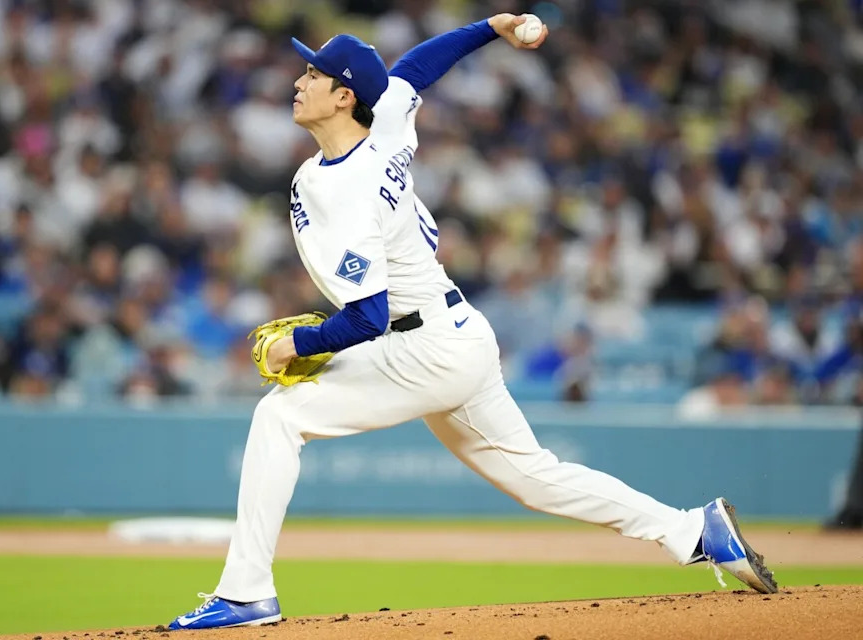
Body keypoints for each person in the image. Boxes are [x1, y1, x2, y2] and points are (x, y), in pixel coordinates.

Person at [167, 14, 777, 630]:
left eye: (313, 73)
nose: (299, 81)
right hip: (455, 334)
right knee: (537, 478)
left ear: (344, 96)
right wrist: (490, 26)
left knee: (278, 415)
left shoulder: (342, 186)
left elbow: (369, 317)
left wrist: (296, 344)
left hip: (422, 347)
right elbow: (414, 69)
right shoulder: (386, 128)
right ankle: (693, 529)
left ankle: (246, 592)